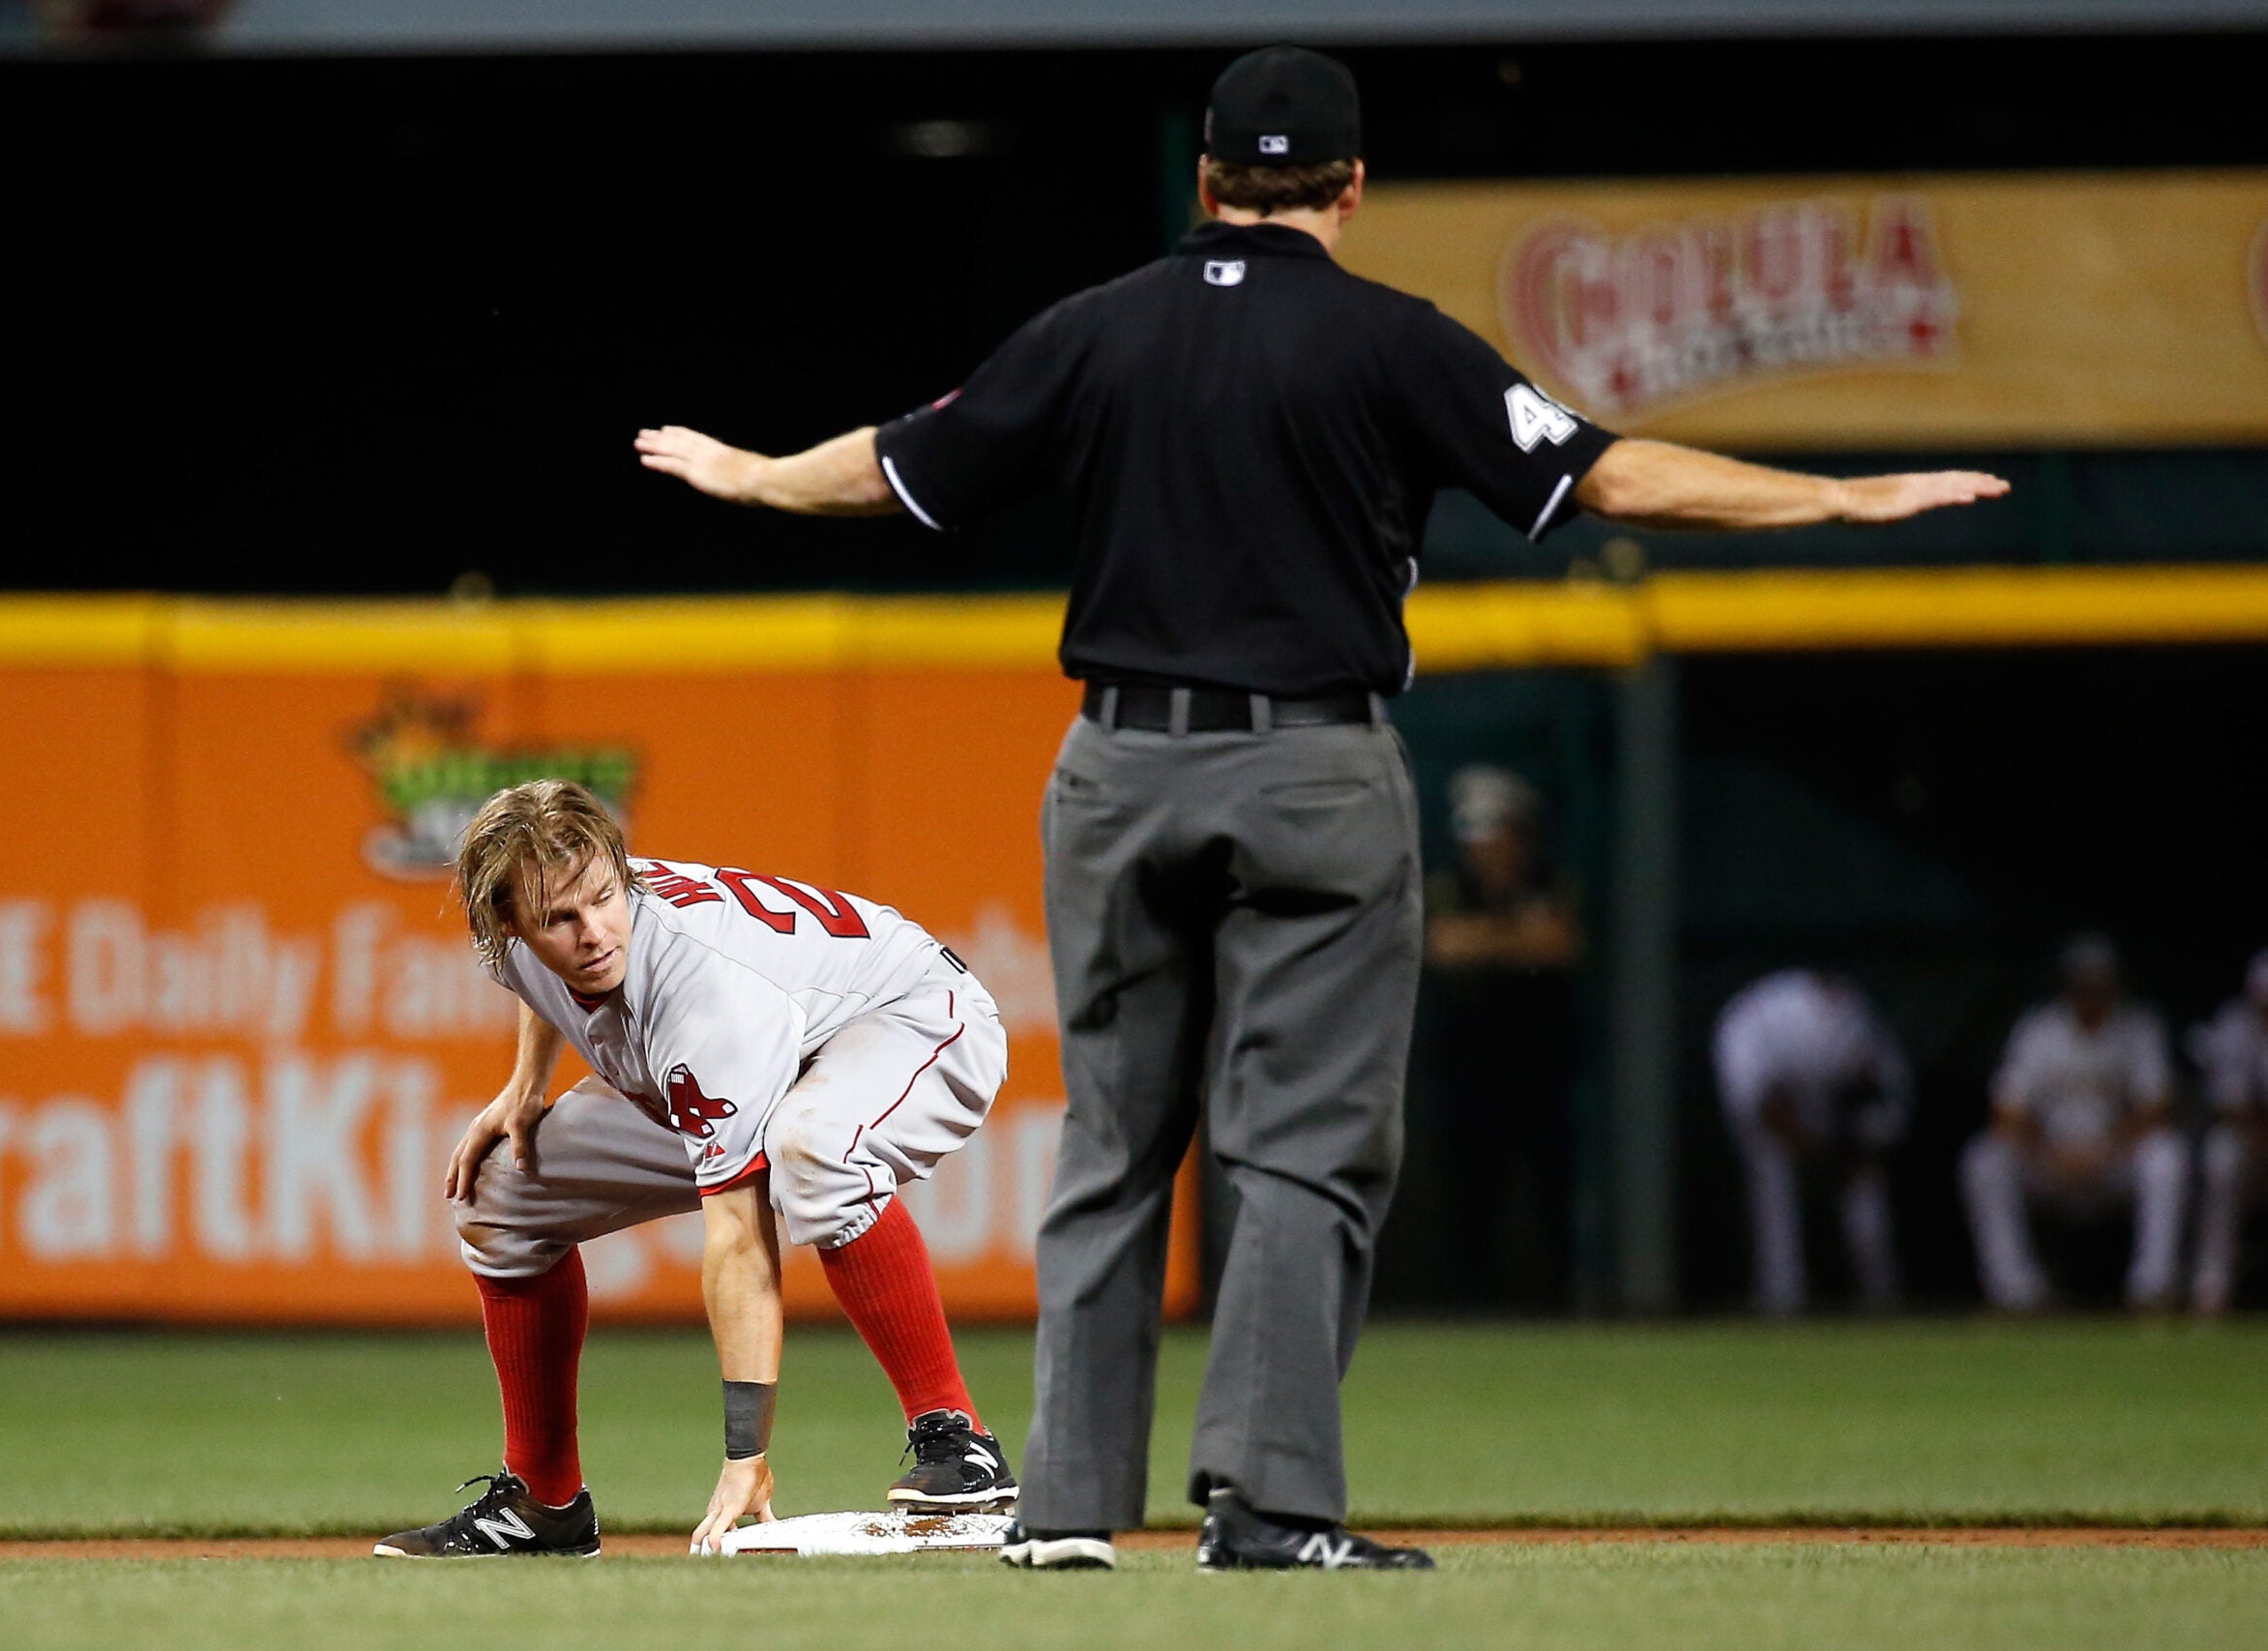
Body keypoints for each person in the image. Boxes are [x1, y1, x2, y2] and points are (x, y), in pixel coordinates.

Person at [634, 44, 2005, 1572]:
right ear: (1353, 187)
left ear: (1207, 179)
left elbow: (898, 466)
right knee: (1299, 1145)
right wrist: (1835, 498)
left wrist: (754, 478)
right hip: (1312, 760)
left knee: (1114, 1138)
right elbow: (1606, 477)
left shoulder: (1097, 332)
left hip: (1119, 762)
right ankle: (1270, 1509)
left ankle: (1068, 1508)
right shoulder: (1395, 343)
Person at [373, 780, 1015, 1558]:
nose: (592, 931)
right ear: (510, 924)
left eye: (604, 898)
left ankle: (959, 1442)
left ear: (620, 869)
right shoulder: (520, 936)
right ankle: (543, 1504)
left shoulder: (702, 992)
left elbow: (739, 1240)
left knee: (812, 1148)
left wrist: (746, 1452)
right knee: (503, 1189)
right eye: (559, 919)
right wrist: (525, 1086)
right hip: (754, 1057)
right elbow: (541, 982)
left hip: (910, 1015)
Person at [1422, 766, 1581, 1311]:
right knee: (1470, 1194)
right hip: (1468, 1065)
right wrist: (1517, 939)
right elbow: (1444, 946)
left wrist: (1490, 940)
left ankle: (1558, 1305)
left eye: (1493, 832)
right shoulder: (1448, 886)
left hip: (1539, 1065)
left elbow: (1559, 943)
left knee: (1549, 1192)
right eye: (1472, 835)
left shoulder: (1551, 880)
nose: (1482, 847)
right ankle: (1468, 1308)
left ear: (1518, 832)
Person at [1960, 934, 2184, 1311]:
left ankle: (2153, 1286)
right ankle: (2016, 1291)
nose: (2091, 993)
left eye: (2099, 983)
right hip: (2049, 1161)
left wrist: (2106, 1149)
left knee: (2166, 1155)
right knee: (1984, 1159)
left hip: (2115, 1160)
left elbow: (2156, 1108)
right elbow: (2006, 1111)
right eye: (2083, 984)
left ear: (2115, 983)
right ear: (2068, 984)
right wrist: (2050, 1151)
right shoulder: (2039, 1029)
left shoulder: (2139, 1026)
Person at [1711, 970, 1912, 1315]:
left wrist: (1847, 1148)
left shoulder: (1860, 1022)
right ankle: (1782, 1303)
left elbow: (1890, 1107)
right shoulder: (1753, 1024)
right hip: (1773, 1109)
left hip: (1835, 1116)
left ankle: (1882, 1300)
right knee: (1772, 1187)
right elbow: (1763, 1108)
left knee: (1865, 1189)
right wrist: (1816, 1147)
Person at [2189, 948, 2268, 1315]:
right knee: (2223, 1154)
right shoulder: (2235, 1027)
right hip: (2254, 1146)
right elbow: (2231, 1107)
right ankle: (2212, 1288)